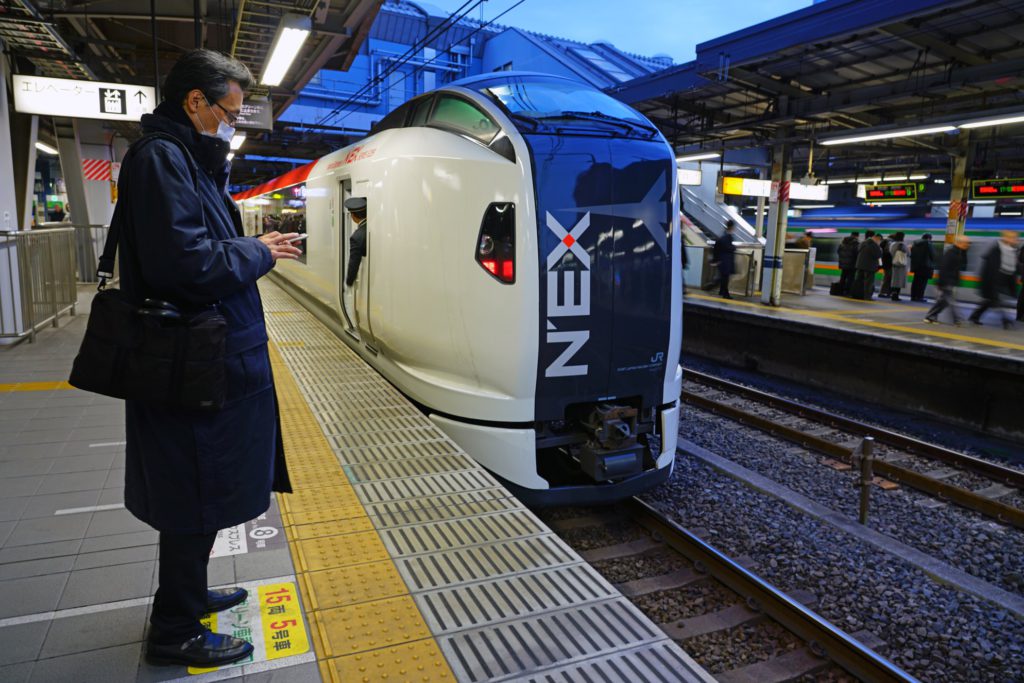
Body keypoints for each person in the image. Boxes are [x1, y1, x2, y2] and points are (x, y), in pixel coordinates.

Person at [118, 49, 302, 668]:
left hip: (207, 357)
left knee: (204, 485)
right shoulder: (162, 160)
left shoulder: (183, 161)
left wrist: (246, 246)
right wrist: (258, 252)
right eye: (228, 110)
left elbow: (198, 245)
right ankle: (175, 630)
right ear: (195, 100)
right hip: (192, 363)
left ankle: (191, 595)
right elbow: (187, 264)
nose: (232, 122)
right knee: (194, 492)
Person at [969, 230, 1019, 329]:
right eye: (1013, 238)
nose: (1015, 240)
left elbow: (1013, 270)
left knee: (989, 301)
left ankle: (974, 316)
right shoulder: (996, 250)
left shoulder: (1012, 251)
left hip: (1003, 281)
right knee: (996, 301)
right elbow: (990, 269)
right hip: (992, 281)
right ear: (1006, 238)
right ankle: (1006, 320)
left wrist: (1012, 287)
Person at [925, 236, 970, 325]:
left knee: (943, 302)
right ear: (959, 243)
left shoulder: (959, 252)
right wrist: (942, 282)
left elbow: (959, 266)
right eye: (965, 243)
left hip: (950, 280)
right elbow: (944, 268)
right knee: (951, 301)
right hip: (946, 281)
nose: (967, 245)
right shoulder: (951, 252)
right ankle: (959, 320)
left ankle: (930, 316)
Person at [344, 196, 368, 287]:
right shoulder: (371, 227)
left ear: (353, 216)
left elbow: (354, 262)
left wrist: (349, 282)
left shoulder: (356, 236)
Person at [851, 232, 882, 300]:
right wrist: (878, 247)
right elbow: (878, 255)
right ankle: (867, 296)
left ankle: (856, 295)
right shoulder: (874, 244)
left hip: (860, 265)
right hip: (869, 267)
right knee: (868, 282)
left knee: (858, 281)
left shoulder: (863, 242)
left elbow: (858, 250)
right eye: (879, 240)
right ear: (877, 238)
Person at [711, 220, 736, 299]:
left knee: (723, 277)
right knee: (725, 278)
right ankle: (725, 294)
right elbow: (728, 248)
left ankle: (721, 291)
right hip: (725, 261)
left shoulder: (723, 236)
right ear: (731, 227)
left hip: (722, 260)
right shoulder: (727, 237)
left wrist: (715, 259)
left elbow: (716, 248)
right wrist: (734, 247)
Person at [910, 233, 934, 302]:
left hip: (916, 267)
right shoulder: (928, 244)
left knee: (915, 282)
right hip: (925, 267)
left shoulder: (915, 244)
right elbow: (933, 255)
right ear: (929, 238)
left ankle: (913, 296)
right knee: (922, 283)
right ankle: (919, 297)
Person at [836, 232, 859, 296]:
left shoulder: (843, 243)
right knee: (850, 279)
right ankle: (847, 292)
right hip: (852, 264)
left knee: (843, 277)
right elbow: (856, 253)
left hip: (843, 264)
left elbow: (838, 252)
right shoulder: (855, 244)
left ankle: (840, 291)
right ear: (857, 236)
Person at [888, 232, 908, 301]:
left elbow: (891, 253)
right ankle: (896, 296)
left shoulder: (892, 244)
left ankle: (893, 294)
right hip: (901, 265)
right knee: (899, 281)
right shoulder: (902, 244)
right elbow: (908, 253)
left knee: (894, 280)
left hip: (894, 263)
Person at [879, 233, 894, 297]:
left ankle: (884, 292)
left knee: (887, 277)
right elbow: (888, 252)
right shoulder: (890, 242)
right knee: (887, 278)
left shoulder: (884, 241)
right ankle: (883, 292)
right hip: (888, 263)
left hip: (884, 262)